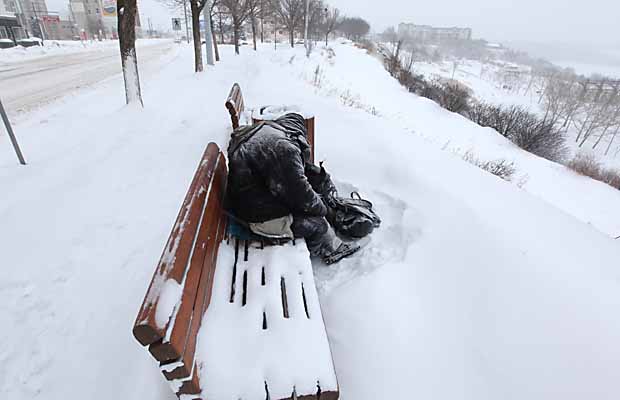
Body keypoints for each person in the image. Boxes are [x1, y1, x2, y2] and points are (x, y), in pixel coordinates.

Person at [226, 113, 360, 264]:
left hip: (248, 199)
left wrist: (319, 179)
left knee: (313, 204)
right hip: (257, 218)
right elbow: (301, 195)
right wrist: (327, 211)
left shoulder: (269, 130)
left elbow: (293, 173)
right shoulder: (284, 149)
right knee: (318, 224)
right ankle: (328, 251)